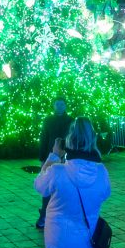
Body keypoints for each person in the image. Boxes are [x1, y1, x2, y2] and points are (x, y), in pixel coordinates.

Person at [34, 117, 111, 248]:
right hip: (88, 239)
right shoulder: (101, 172)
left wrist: (54, 156)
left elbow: (39, 186)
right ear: (93, 139)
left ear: (68, 140)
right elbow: (105, 194)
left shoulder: (57, 171)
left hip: (58, 238)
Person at [36, 97, 73, 228]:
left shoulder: (70, 121)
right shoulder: (48, 120)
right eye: (57, 104)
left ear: (66, 105)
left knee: (63, 186)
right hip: (50, 155)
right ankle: (44, 214)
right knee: (48, 184)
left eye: (62, 104)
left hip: (66, 156)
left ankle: (60, 214)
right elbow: (44, 138)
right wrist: (42, 158)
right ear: (53, 105)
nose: (59, 106)